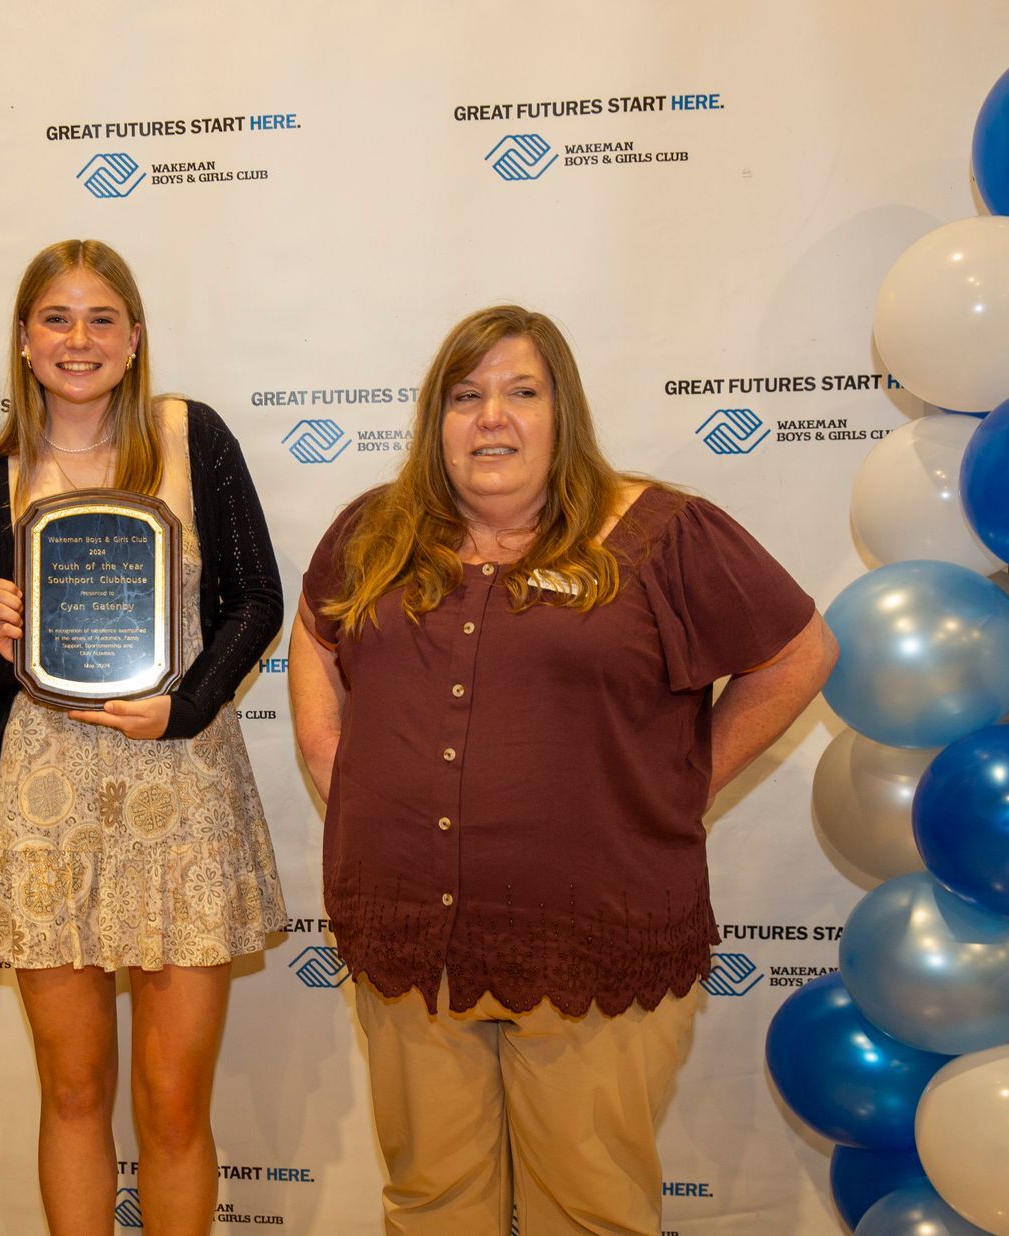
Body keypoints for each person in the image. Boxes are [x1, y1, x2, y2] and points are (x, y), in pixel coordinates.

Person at [287, 304, 836, 1235]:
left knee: (588, 1211)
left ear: (563, 411)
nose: (492, 418)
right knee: (428, 1203)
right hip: (410, 943)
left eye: (522, 393)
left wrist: (679, 786)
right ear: (435, 418)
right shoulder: (375, 531)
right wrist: (331, 754)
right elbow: (315, 629)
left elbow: (799, 654)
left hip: (592, 943)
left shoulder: (664, 535)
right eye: (466, 396)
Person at [0, 239, 288, 1235]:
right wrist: (0, 645)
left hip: (182, 785)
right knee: (72, 1092)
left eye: (102, 318)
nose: (79, 339)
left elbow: (257, 597)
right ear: (24, 339)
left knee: (174, 1102)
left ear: (135, 338)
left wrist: (188, 708)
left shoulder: (190, 437)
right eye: (56, 318)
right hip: (49, 801)